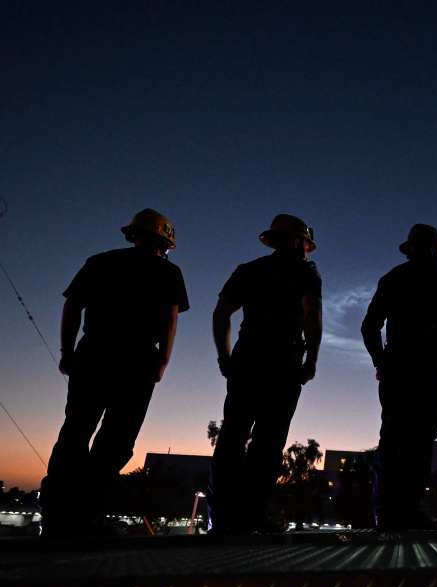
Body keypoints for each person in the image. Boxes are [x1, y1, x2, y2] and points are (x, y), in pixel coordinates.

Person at [41, 209, 188, 536]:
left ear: (134, 235)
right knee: (116, 441)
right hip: (137, 362)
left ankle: (56, 514)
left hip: (94, 354)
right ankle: (84, 514)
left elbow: (72, 306)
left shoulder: (100, 262)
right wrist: (162, 362)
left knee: (76, 431)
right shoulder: (168, 272)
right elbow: (170, 319)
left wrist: (67, 351)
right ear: (164, 243)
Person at [209, 214, 322, 534]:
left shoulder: (249, 271)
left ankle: (223, 517)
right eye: (305, 244)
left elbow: (221, 314)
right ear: (299, 241)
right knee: (268, 441)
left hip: (248, 359)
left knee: (233, 436)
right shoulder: (306, 274)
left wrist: (225, 356)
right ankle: (250, 514)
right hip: (283, 362)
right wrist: (311, 360)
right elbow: (313, 318)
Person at [361, 224, 437, 531]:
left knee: (407, 440)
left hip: (411, 370)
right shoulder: (436, 280)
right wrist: (383, 362)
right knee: (406, 441)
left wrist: (382, 361)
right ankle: (396, 512)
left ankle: (395, 512)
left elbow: (370, 327)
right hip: (417, 371)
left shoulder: (398, 279)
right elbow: (370, 326)